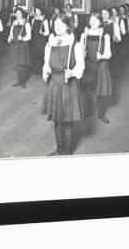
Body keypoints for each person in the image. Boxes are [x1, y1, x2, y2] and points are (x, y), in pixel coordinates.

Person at [41, 14, 85, 155]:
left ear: (68, 26)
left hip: (68, 85)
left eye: (61, 24)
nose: (57, 27)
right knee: (57, 119)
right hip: (54, 83)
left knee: (67, 120)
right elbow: (46, 61)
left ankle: (67, 151)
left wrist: (72, 72)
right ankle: (59, 149)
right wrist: (46, 70)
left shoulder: (75, 44)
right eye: (55, 24)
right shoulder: (51, 41)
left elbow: (81, 65)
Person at [80, 13, 113, 124]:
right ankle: (86, 111)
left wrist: (102, 56)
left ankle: (101, 114)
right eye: (91, 20)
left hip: (101, 65)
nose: (92, 23)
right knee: (87, 90)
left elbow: (109, 54)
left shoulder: (105, 35)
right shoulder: (85, 34)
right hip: (88, 65)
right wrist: (82, 54)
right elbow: (80, 49)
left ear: (100, 22)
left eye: (95, 21)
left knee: (101, 92)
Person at [7, 8, 32, 88]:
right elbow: (11, 32)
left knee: (22, 64)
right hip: (15, 45)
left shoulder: (26, 23)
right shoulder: (14, 23)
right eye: (16, 13)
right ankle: (19, 80)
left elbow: (29, 36)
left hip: (22, 46)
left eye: (19, 13)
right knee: (17, 64)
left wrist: (22, 38)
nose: (17, 15)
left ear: (22, 14)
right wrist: (9, 37)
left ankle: (23, 81)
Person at [30, 7, 49, 77]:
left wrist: (43, 32)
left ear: (41, 12)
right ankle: (36, 70)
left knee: (41, 55)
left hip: (41, 40)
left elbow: (47, 32)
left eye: (38, 11)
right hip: (35, 39)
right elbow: (32, 29)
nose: (36, 13)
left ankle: (41, 71)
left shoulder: (44, 20)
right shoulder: (33, 19)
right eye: (36, 11)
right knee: (35, 55)